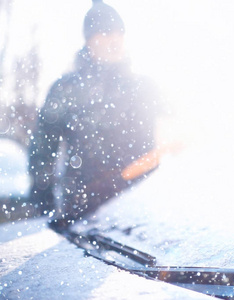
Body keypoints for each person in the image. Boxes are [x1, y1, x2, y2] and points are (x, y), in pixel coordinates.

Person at [28, 0, 163, 231]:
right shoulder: (66, 89)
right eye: (105, 31)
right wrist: (47, 208)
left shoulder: (143, 88)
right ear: (89, 40)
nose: (115, 38)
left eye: (119, 32)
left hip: (140, 220)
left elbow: (173, 144)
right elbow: (43, 150)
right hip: (81, 218)